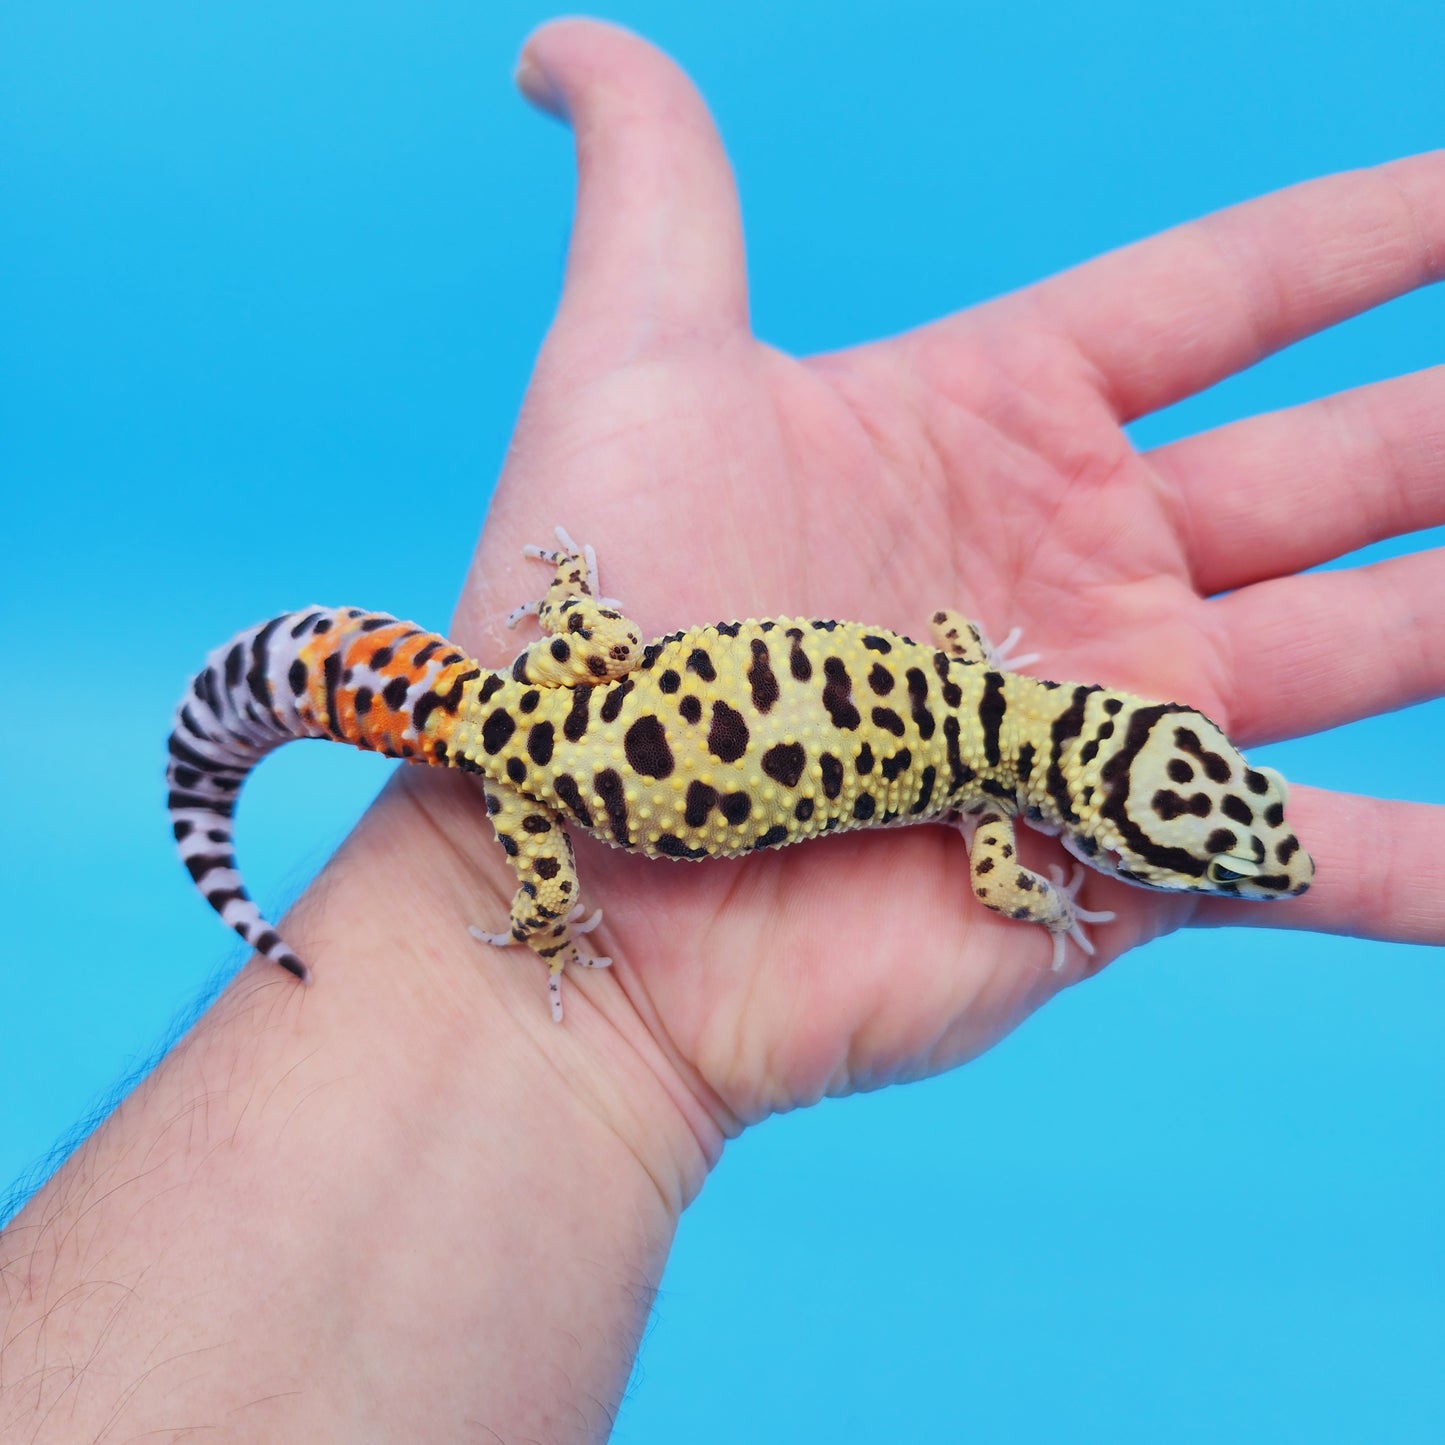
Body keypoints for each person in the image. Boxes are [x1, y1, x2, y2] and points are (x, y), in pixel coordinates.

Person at [2, 17, 1441, 1440]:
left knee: (557, 707)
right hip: (563, 779)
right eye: (1215, 837)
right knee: (544, 867)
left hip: (574, 696)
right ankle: (525, 909)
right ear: (1098, 809)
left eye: (1223, 831)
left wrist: (576, 629)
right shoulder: (998, 811)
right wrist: (1056, 902)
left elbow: (956, 649)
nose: (1236, 852)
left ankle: (491, 714)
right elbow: (1007, 884)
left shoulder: (988, 688)